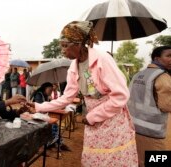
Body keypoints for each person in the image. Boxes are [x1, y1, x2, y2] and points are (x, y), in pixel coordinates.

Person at [28, 21, 138, 166]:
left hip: (112, 119)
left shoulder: (103, 60)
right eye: (61, 46)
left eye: (65, 46)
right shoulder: (74, 68)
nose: (62, 50)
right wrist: (37, 106)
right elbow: (66, 98)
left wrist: (93, 116)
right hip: (93, 121)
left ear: (78, 44)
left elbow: (121, 95)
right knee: (95, 159)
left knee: (113, 159)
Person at [128, 46, 171, 167]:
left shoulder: (137, 75)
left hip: (133, 129)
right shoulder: (163, 77)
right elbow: (167, 106)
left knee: (139, 161)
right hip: (154, 134)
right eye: (168, 56)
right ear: (157, 58)